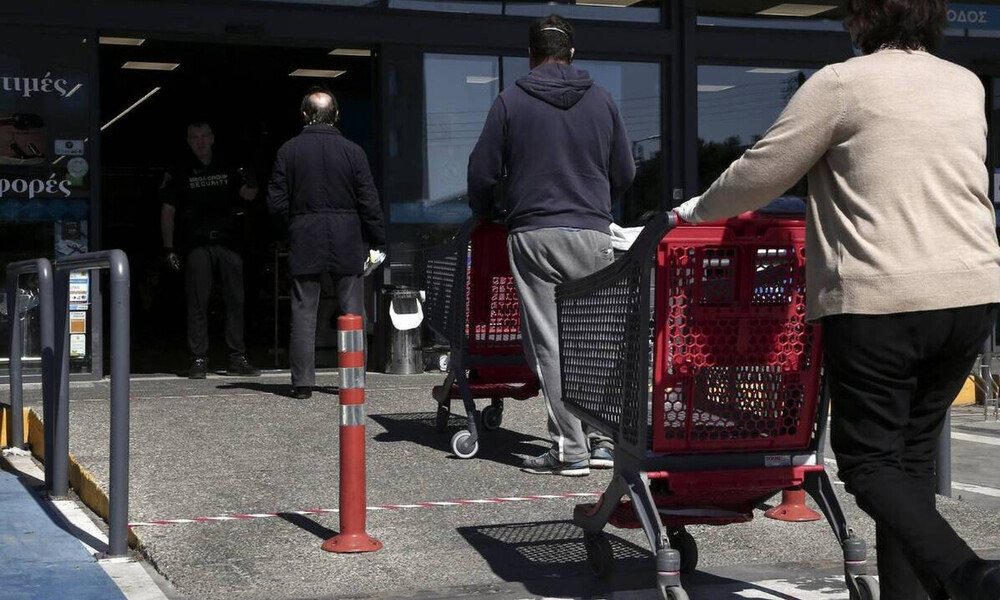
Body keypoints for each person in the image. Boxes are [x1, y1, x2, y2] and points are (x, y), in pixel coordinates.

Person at [674, 1, 1000, 598]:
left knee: (870, 464)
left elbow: (763, 171)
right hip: (971, 293)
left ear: (861, 20)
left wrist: (694, 210)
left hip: (881, 296)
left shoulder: (843, 84)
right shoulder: (966, 84)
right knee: (911, 465)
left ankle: (968, 574)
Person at [467, 14, 636, 477]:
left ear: (530, 55)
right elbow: (624, 171)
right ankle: (599, 439)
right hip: (593, 231)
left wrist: (489, 209)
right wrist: (595, 205)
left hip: (535, 233)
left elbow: (481, 173)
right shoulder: (602, 101)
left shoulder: (509, 101)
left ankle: (571, 450)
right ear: (572, 53)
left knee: (549, 344)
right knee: (595, 341)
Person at [266, 87, 386, 400]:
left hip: (305, 235)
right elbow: (368, 200)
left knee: (304, 310)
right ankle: (353, 379)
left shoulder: (288, 151)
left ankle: (303, 383)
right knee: (352, 311)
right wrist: (378, 238)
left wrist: (289, 230)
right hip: (347, 235)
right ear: (336, 116)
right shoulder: (353, 151)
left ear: (304, 115)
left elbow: (276, 203)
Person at [161, 120, 261, 379]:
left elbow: (249, 195)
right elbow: (168, 211)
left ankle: (237, 358)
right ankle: (198, 359)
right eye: (195, 137)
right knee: (197, 302)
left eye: (204, 136)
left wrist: (252, 179)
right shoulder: (180, 170)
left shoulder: (228, 165)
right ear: (188, 141)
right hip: (197, 242)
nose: (200, 141)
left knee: (235, 300)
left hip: (228, 241)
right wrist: (168, 247)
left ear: (213, 138)